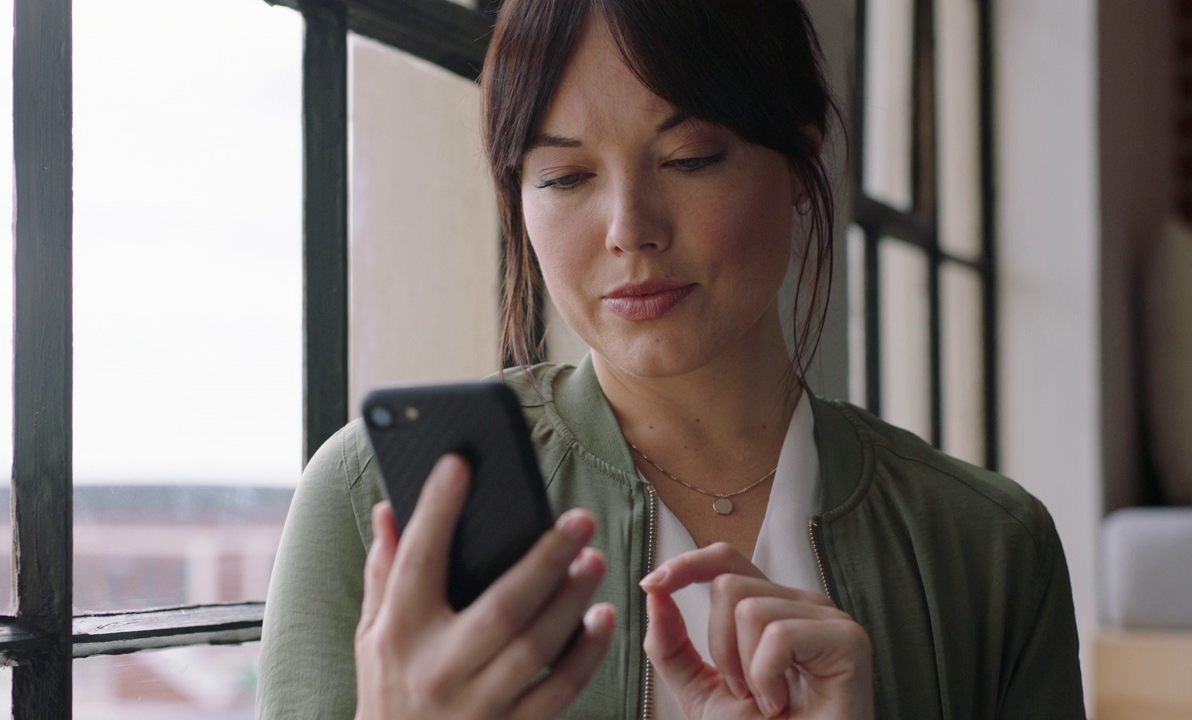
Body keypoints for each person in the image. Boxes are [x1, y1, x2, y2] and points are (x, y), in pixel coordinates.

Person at [256, 0, 1087, 718]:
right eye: (566, 177)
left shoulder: (991, 551)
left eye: (689, 159)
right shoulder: (377, 504)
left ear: (801, 159)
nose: (630, 228)